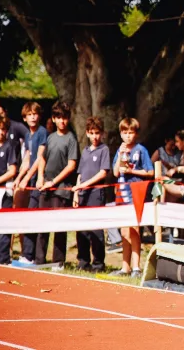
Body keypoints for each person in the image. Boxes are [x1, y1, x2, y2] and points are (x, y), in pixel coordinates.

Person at [36, 101, 78, 269]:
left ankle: (57, 262)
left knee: (59, 227)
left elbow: (71, 165)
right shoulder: (50, 137)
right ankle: (39, 260)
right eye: (59, 117)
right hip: (45, 189)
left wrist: (54, 182)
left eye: (65, 118)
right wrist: (40, 178)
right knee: (42, 226)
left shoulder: (72, 139)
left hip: (62, 190)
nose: (62, 121)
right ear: (53, 119)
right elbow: (42, 158)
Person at [111, 117, 153, 276]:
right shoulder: (119, 150)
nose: (128, 136)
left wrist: (131, 172)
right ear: (121, 133)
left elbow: (150, 172)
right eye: (125, 132)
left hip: (135, 192)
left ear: (136, 133)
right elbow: (115, 172)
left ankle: (136, 267)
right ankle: (125, 267)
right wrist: (120, 154)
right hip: (121, 192)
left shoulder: (141, 150)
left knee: (135, 229)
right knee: (124, 231)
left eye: (131, 132)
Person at [73, 116, 110, 272]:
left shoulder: (104, 150)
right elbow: (80, 173)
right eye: (92, 133)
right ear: (87, 133)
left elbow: (103, 173)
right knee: (82, 229)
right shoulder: (85, 151)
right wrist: (76, 192)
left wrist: (85, 185)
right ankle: (83, 261)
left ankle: (98, 263)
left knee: (96, 229)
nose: (94, 137)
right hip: (82, 195)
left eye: (97, 133)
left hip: (95, 194)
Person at [15, 102, 47, 265]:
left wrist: (27, 178)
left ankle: (31, 255)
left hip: (39, 181)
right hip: (30, 180)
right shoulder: (28, 135)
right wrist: (19, 177)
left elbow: (40, 157)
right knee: (27, 215)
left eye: (35, 114)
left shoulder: (42, 132)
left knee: (34, 216)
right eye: (29, 114)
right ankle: (27, 254)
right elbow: (28, 158)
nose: (33, 117)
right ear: (25, 117)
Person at [0, 114, 19, 264]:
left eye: (3, 129)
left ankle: (3, 258)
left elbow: (12, 170)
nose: (1, 132)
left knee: (4, 226)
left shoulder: (9, 147)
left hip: (4, 192)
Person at [161, 129, 184, 202]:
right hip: (182, 184)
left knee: (162, 180)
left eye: (177, 141)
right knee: (168, 195)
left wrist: (176, 169)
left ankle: (161, 207)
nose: (175, 144)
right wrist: (170, 167)